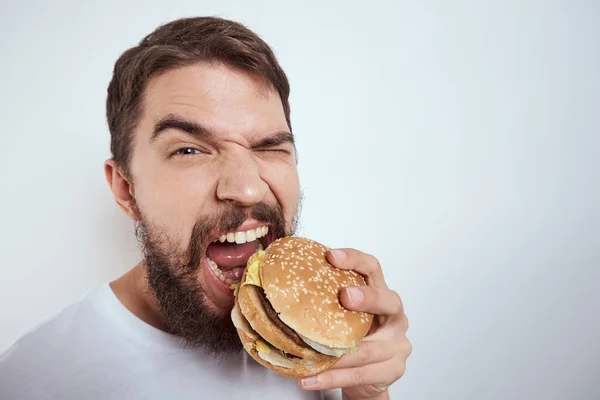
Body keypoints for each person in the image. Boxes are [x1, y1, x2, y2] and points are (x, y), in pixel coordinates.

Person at [0, 16, 411, 400]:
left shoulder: (317, 341)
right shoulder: (34, 377)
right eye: (189, 149)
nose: (247, 188)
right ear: (126, 189)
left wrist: (366, 391)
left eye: (269, 147)